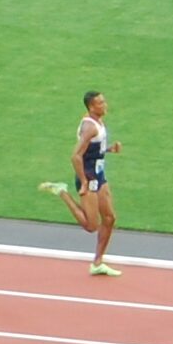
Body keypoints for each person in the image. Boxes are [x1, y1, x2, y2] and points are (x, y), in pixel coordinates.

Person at [39, 91, 123, 276]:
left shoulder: (97, 122)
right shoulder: (90, 127)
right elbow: (76, 156)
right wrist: (84, 182)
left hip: (99, 174)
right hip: (90, 178)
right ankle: (62, 192)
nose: (105, 105)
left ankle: (98, 262)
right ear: (91, 107)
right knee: (91, 226)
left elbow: (92, 150)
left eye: (104, 101)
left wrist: (109, 149)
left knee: (109, 218)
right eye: (100, 103)